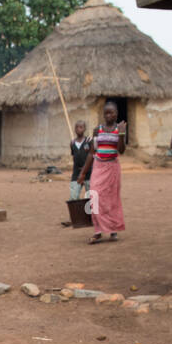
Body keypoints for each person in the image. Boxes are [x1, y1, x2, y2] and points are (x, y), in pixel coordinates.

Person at [77, 101, 126, 244]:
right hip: (99, 166)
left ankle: (113, 229)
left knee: (111, 199)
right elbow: (92, 152)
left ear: (116, 114)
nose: (109, 115)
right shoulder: (97, 130)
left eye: (111, 112)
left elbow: (121, 150)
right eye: (106, 113)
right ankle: (97, 231)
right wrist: (83, 173)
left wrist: (122, 134)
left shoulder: (119, 129)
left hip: (113, 167)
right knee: (94, 195)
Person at [69, 120, 93, 200]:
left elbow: (92, 156)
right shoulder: (72, 143)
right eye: (76, 127)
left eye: (81, 127)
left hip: (89, 173)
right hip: (76, 173)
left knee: (91, 198)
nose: (78, 129)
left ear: (84, 129)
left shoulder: (89, 141)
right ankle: (78, 212)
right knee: (73, 198)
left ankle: (90, 213)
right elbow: (74, 157)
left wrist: (84, 171)